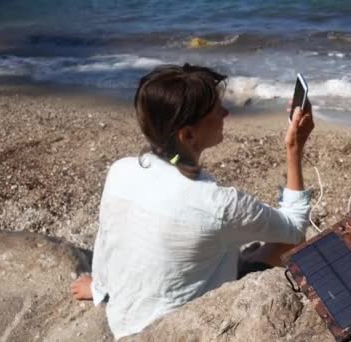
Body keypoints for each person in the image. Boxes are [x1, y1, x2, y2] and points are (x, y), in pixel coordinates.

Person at [69, 64, 314, 339]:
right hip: (180, 328)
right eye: (216, 110)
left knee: (242, 250)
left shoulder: (121, 170)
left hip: (123, 323)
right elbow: (295, 228)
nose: (225, 113)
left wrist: (100, 288)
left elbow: (111, 241)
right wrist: (295, 147)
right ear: (187, 135)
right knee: (284, 243)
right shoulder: (219, 204)